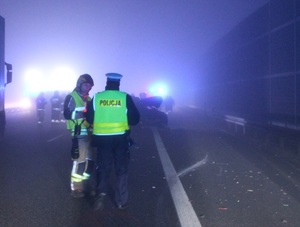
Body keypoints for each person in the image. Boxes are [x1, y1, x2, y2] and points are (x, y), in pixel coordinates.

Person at [85, 72, 140, 210]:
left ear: (107, 83)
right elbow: (135, 119)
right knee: (121, 169)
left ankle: (100, 194)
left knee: (103, 167)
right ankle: (121, 200)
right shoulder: (125, 98)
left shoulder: (97, 97)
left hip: (102, 140)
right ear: (118, 84)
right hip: (121, 139)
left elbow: (90, 119)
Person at [63, 74, 95, 198]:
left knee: (90, 161)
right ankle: (76, 188)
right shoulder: (71, 97)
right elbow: (66, 114)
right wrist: (83, 114)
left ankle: (85, 184)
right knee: (80, 161)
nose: (88, 88)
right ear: (79, 84)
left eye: (90, 86)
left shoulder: (89, 99)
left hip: (90, 133)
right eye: (86, 85)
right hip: (79, 132)